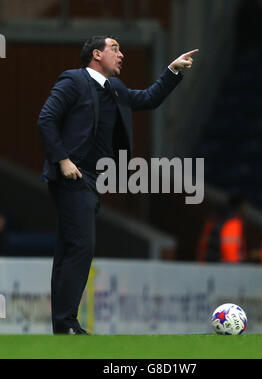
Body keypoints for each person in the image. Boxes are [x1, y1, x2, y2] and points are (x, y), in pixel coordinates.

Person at [37, 35, 198, 334]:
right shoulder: (73, 80)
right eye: (115, 49)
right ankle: (67, 323)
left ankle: (62, 326)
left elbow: (149, 99)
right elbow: (46, 118)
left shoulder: (115, 89)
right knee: (82, 247)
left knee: (69, 249)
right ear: (96, 55)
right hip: (73, 175)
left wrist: (172, 70)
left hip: (93, 180)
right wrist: (63, 160)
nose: (121, 54)